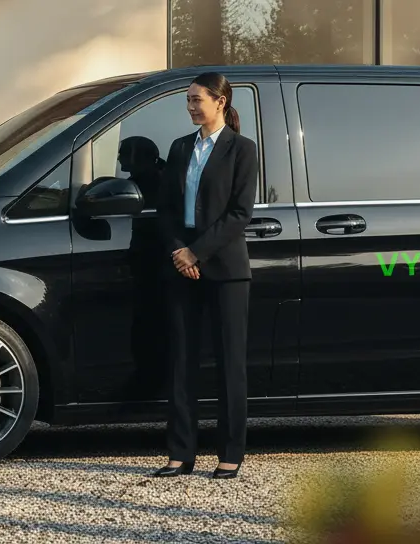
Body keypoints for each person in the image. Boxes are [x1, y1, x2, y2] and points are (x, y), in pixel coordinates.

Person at [150, 72, 259, 480]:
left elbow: (240, 213)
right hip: (183, 267)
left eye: (198, 100)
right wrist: (180, 251)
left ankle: (229, 454)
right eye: (189, 100)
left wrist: (198, 251)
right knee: (182, 362)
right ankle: (181, 454)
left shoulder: (241, 150)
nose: (192, 107)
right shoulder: (180, 148)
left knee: (230, 364)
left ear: (221, 102)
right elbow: (165, 209)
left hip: (226, 269)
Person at [118, 137, 171, 400]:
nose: (118, 160)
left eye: (123, 155)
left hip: (154, 263)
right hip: (148, 261)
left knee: (148, 324)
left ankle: (149, 383)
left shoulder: (152, 183)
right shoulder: (154, 177)